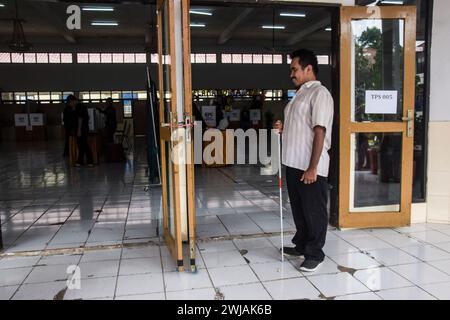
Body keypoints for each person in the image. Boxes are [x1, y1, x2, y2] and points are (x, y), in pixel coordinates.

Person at [274, 49, 334, 272]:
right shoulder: (300, 93)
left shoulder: (320, 94)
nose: (291, 73)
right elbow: (302, 127)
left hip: (309, 167)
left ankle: (315, 253)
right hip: (293, 163)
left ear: (309, 69)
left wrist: (313, 168)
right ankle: (301, 245)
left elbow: (320, 131)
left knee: (314, 211)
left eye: (294, 69)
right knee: (299, 210)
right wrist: (284, 127)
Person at [75, 101, 94, 167]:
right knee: (83, 146)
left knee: (82, 146)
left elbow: (80, 120)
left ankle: (87, 161)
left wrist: (79, 130)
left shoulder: (79, 113)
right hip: (85, 130)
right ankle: (83, 161)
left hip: (81, 130)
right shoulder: (85, 113)